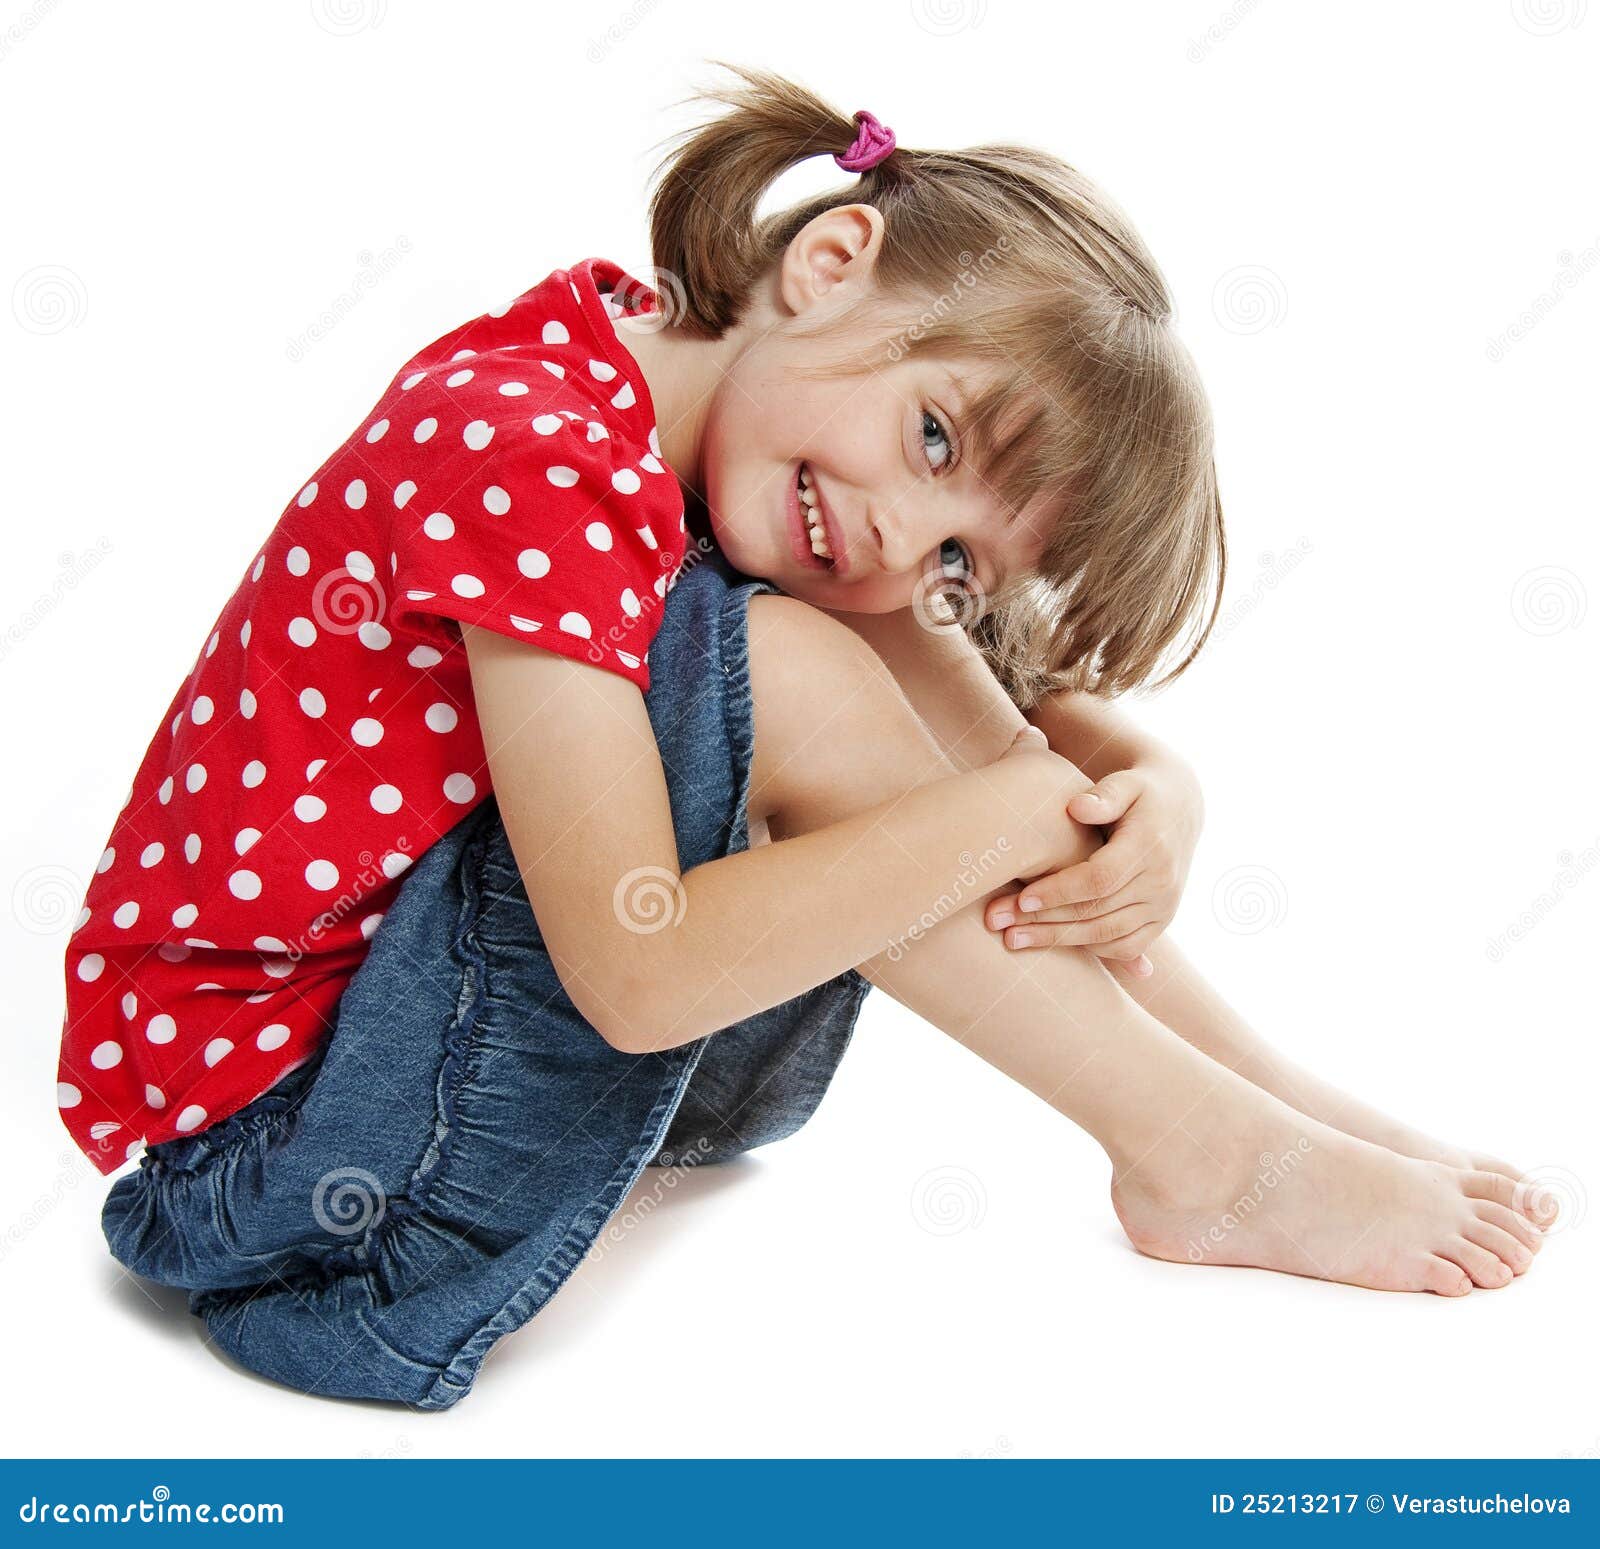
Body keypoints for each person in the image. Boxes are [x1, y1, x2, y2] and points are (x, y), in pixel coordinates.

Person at [67, 65, 1550, 1411]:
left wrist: (1141, 784)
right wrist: (1018, 806)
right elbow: (638, 975)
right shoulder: (531, 451)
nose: (910, 532)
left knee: (851, 606)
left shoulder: (680, 395)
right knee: (793, 652)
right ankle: (1208, 1152)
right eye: (936, 437)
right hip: (292, 1165)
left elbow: (998, 707)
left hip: (400, 1080)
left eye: (968, 554)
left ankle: (1249, 1104)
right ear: (830, 262)